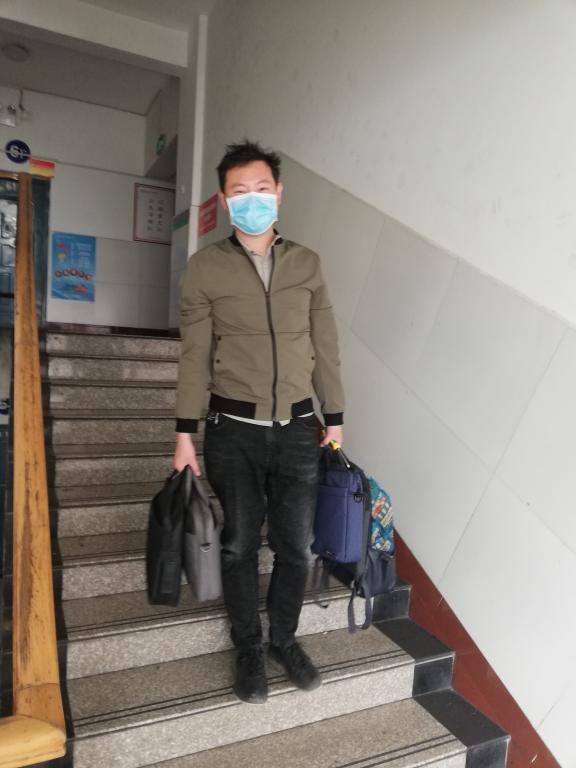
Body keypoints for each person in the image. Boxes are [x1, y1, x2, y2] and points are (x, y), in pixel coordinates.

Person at [173, 140, 345, 704]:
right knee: (239, 543)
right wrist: (184, 432)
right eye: (240, 192)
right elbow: (195, 355)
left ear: (279, 194)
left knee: (296, 547)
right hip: (233, 429)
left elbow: (325, 345)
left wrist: (335, 417)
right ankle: (248, 645)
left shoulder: (307, 263)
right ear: (225, 201)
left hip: (298, 429)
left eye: (262, 189)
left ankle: (284, 640)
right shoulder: (205, 267)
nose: (252, 200)